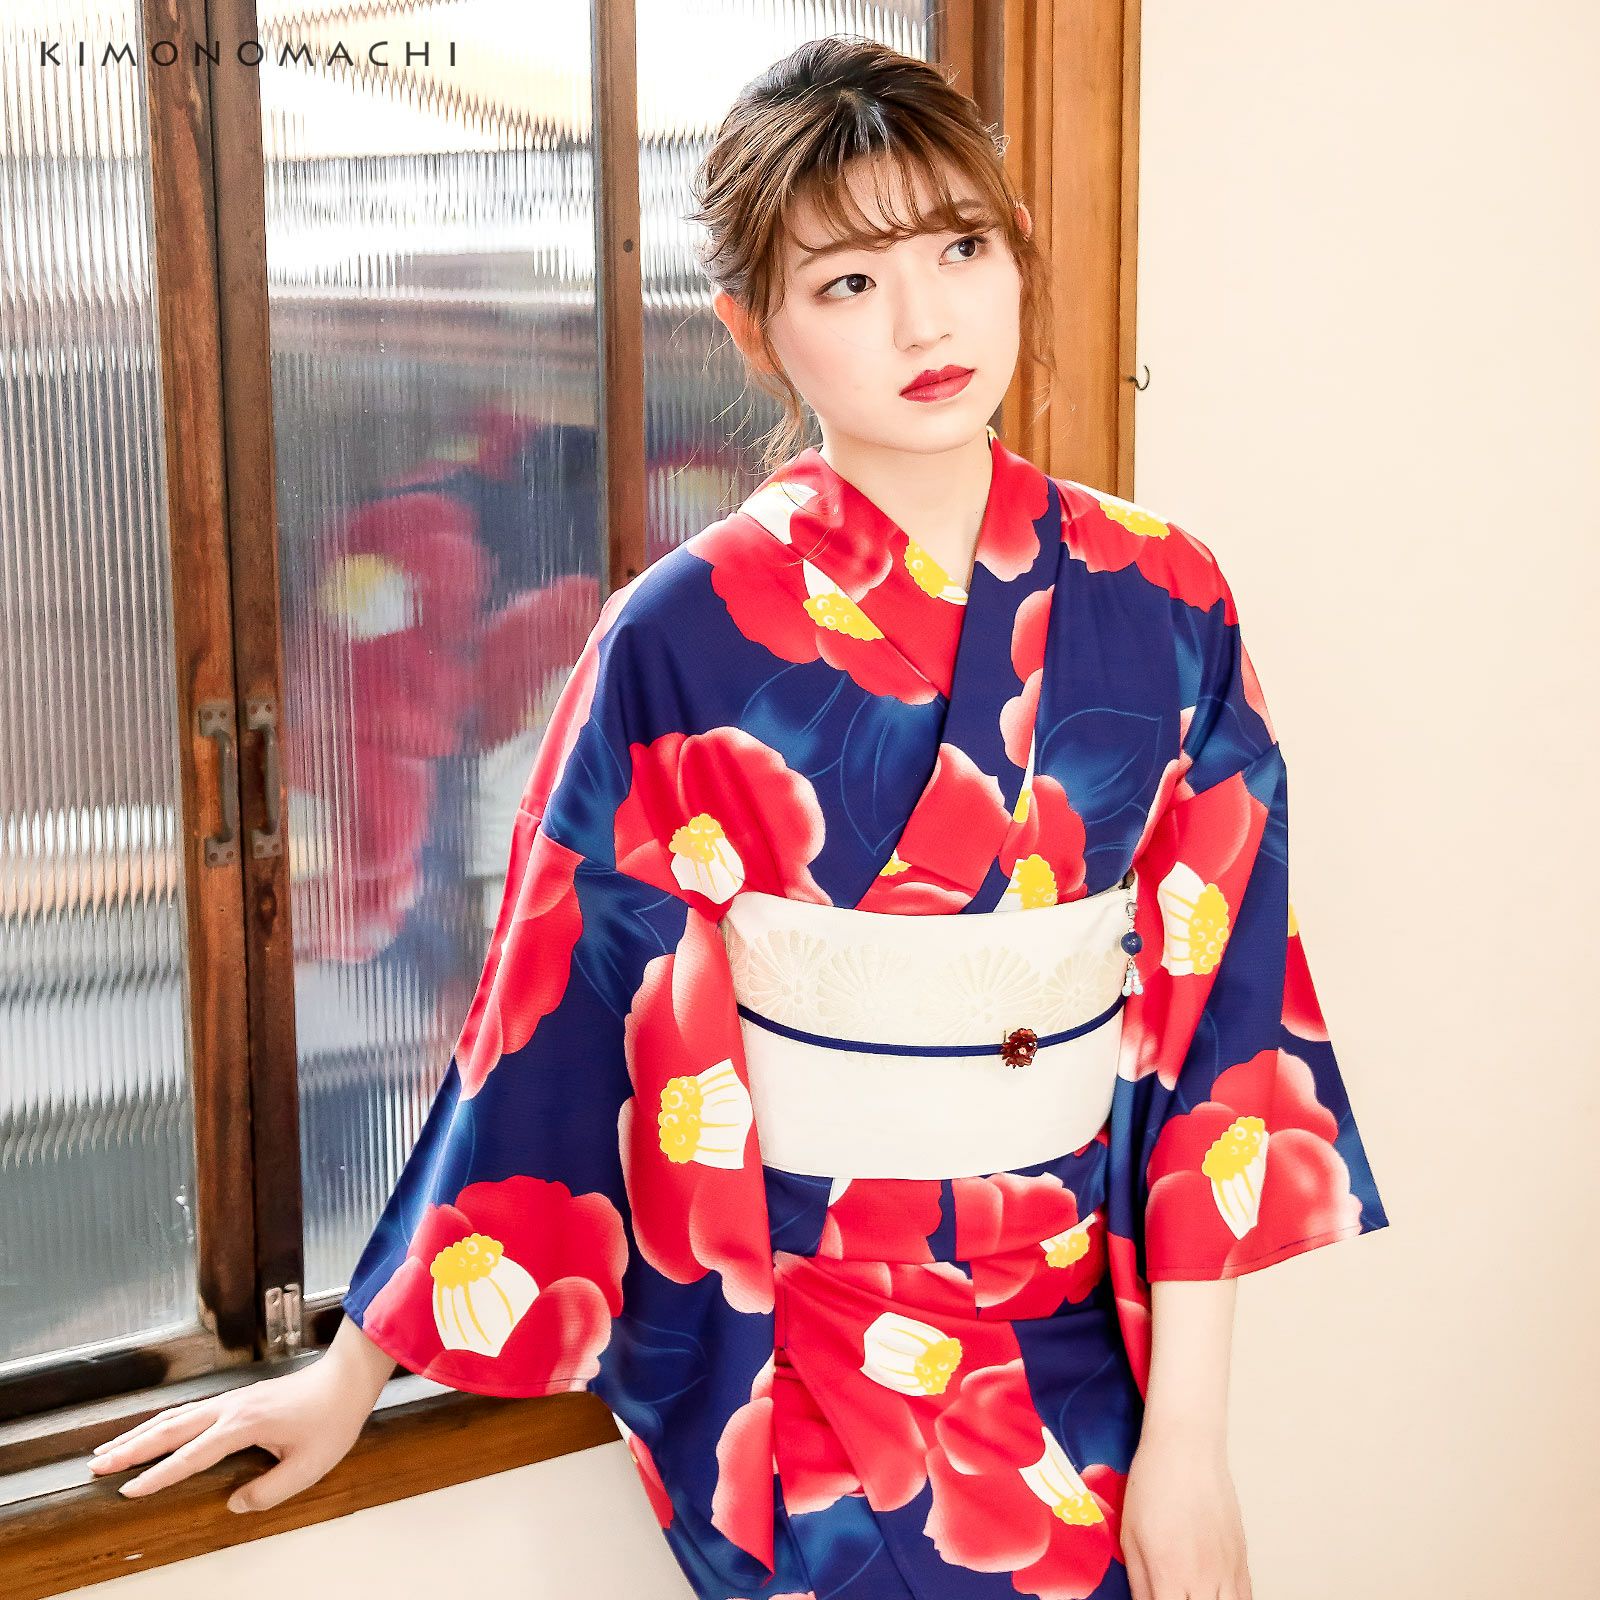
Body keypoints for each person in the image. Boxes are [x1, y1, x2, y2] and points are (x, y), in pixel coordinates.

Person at [87, 35, 1389, 1600]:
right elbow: (552, 1003)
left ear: (1018, 251)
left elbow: (1217, 1019)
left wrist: (1191, 1446)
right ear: (753, 328)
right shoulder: (680, 633)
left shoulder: (1167, 592)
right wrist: (353, 1368)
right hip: (809, 1349)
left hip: (1090, 1338)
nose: (925, 321)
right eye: (848, 282)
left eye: (960, 250)